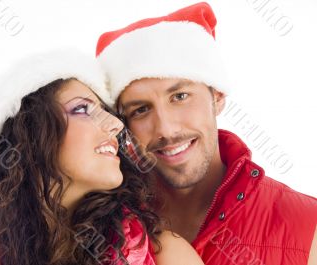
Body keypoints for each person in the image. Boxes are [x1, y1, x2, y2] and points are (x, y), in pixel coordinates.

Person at [95, 2, 317, 264]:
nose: (167, 128)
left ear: (217, 96)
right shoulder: (100, 225)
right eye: (141, 110)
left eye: (180, 96)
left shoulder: (307, 226)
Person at [0, 49, 203, 265]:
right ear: (30, 137)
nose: (116, 125)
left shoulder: (167, 255)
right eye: (82, 109)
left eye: (107, 112)